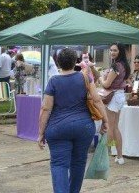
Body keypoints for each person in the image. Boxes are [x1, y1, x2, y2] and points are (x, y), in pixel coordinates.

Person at [38, 48, 108, 193]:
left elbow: (46, 108)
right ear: (76, 61)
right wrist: (105, 121)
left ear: (58, 62)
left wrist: (41, 133)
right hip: (83, 127)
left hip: (58, 128)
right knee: (79, 162)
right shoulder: (85, 77)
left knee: (59, 164)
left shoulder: (53, 81)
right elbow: (96, 100)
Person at [101, 43, 130, 165]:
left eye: (115, 50)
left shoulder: (116, 66)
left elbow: (106, 84)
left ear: (120, 52)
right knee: (115, 127)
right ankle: (119, 156)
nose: (112, 52)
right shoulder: (124, 65)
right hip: (119, 95)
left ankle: (105, 155)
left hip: (113, 96)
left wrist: (101, 79)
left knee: (110, 127)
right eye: (111, 50)